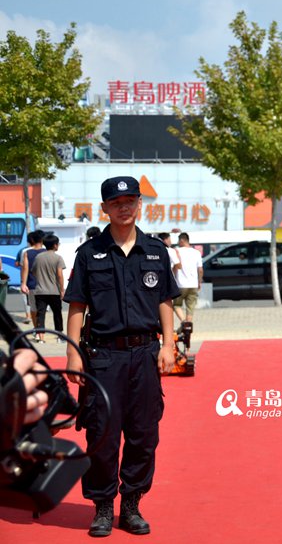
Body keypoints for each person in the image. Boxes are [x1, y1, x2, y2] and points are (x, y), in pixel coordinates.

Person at [64, 176, 179, 537]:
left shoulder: (156, 251)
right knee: (102, 433)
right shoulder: (89, 254)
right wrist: (72, 353)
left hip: (145, 355)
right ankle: (102, 507)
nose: (124, 207)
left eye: (131, 200)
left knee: (144, 434)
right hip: (103, 359)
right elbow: (77, 307)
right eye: (117, 202)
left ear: (140, 204)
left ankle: (131, 505)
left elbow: (165, 300)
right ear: (105, 209)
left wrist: (169, 344)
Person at [31, 235, 66, 343]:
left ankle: (41, 338)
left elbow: (33, 271)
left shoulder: (38, 257)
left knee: (40, 314)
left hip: (40, 291)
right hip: (54, 291)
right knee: (57, 314)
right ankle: (59, 336)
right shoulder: (58, 258)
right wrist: (62, 290)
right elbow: (60, 275)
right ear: (55, 245)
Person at [173, 233, 203, 325]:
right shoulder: (196, 252)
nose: (178, 243)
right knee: (190, 307)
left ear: (182, 240)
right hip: (193, 285)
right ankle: (188, 325)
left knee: (176, 305)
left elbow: (174, 268)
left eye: (179, 241)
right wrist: (199, 282)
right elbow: (200, 270)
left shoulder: (176, 251)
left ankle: (183, 322)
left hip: (180, 285)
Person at [18, 231, 45, 333]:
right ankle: (41, 330)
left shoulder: (26, 252)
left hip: (32, 284)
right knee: (42, 309)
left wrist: (23, 283)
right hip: (45, 285)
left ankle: (37, 328)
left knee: (33, 308)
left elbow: (24, 268)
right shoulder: (47, 251)